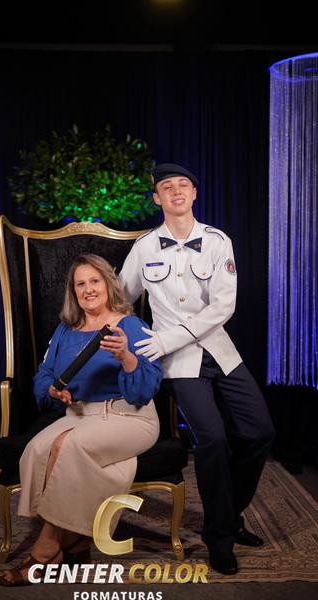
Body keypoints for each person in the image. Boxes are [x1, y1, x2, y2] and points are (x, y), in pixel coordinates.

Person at [119, 163, 275, 575]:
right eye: (166, 187)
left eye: (183, 185)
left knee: (260, 431)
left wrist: (168, 338)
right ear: (157, 198)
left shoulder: (218, 241)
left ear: (194, 194)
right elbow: (120, 299)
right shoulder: (145, 247)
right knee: (212, 439)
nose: (176, 191)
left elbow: (224, 306)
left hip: (220, 352)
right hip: (178, 363)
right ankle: (219, 538)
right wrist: (133, 340)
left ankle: (229, 514)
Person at [0, 254, 162, 586]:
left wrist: (126, 357)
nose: (89, 289)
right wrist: (52, 391)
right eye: (80, 284)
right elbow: (44, 374)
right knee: (38, 448)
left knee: (66, 446)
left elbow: (146, 389)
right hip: (81, 415)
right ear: (73, 292)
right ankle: (75, 542)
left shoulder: (132, 326)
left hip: (130, 417)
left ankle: (47, 549)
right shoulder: (65, 330)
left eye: (95, 281)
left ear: (108, 284)